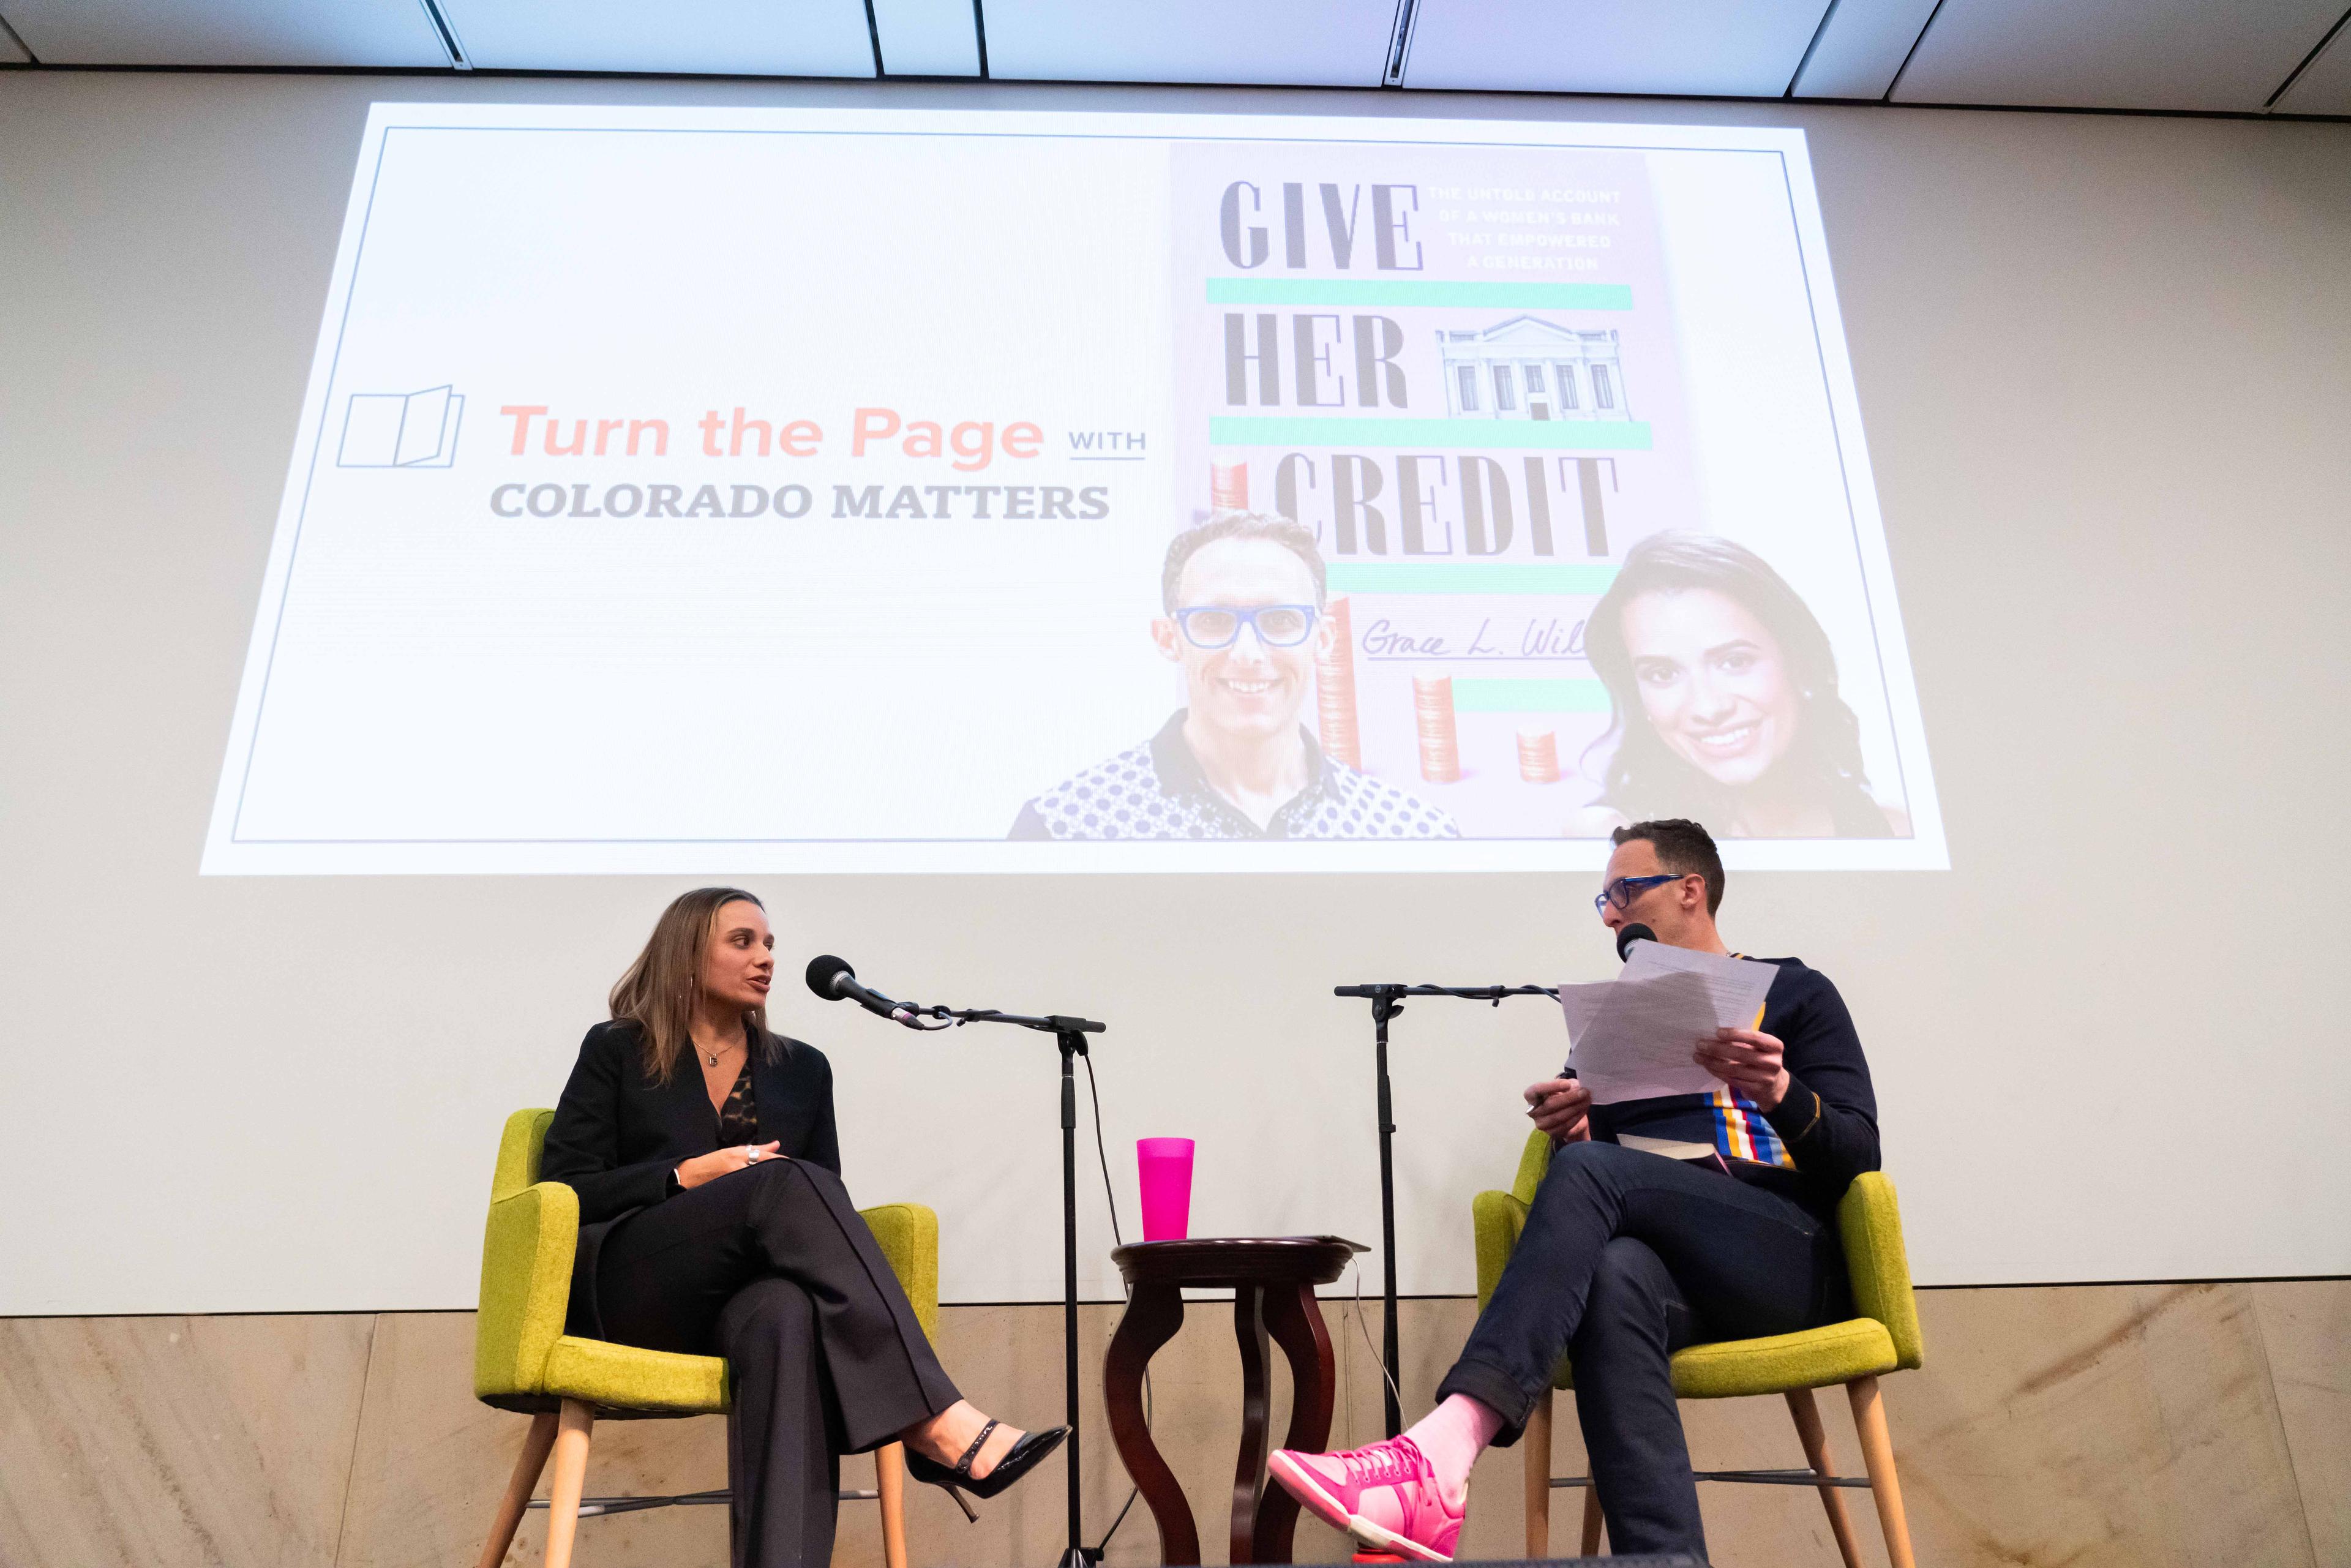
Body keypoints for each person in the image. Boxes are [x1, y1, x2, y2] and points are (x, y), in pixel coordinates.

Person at [1268, 819, 1880, 1562]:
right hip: (1674, 1267)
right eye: (1604, 899)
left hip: (1785, 1256)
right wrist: (1578, 1133)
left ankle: (1445, 1448)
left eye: (1626, 891)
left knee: (1590, 1179)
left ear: (1692, 890)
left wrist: (1779, 1088)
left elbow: (1858, 1153)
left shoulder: (1795, 990)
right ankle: (1664, 1554)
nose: (1611, 914)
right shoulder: (1618, 1021)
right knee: (1617, 1271)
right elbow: (1614, 1181)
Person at [540, 887, 1066, 1568]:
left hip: (737, 1299)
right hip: (636, 1286)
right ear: (686, 951)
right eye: (743, 941)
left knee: (785, 1310)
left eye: (770, 945)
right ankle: (936, 1419)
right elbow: (567, 1186)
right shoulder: (618, 1048)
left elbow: (823, 1208)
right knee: (784, 1181)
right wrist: (683, 1176)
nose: (765, 958)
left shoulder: (803, 1069)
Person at [1009, 510, 1458, 840]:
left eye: (1281, 620)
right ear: (1169, 639)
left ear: (1323, 640)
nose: (1248, 653)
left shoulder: (1416, 836)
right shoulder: (1064, 828)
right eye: (1214, 621)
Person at [1571, 532, 1907, 839]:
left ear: (1798, 662)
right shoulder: (1611, 839)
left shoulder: (1894, 833)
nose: (1709, 708)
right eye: (1662, 674)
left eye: (1734, 662)